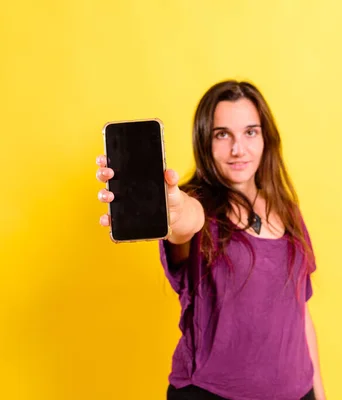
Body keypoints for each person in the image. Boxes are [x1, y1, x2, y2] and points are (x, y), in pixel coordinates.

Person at [95, 80, 326, 400]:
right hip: (210, 394)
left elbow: (300, 312)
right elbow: (186, 222)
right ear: (205, 141)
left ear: (265, 137)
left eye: (250, 132)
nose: (238, 149)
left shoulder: (287, 210)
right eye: (222, 134)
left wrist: (319, 394)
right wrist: (172, 207)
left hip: (298, 393)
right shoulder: (197, 205)